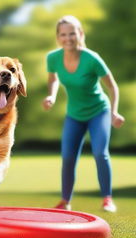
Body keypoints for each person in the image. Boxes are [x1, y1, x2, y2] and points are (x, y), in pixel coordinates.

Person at [43, 15, 125, 212]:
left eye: (72, 33)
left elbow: (112, 87)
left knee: (100, 153)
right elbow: (53, 79)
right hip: (74, 114)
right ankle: (65, 201)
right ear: (58, 37)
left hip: (99, 111)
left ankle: (107, 199)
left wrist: (114, 112)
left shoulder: (92, 59)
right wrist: (52, 96)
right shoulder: (53, 58)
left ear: (80, 34)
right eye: (63, 34)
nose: (68, 38)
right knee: (68, 157)